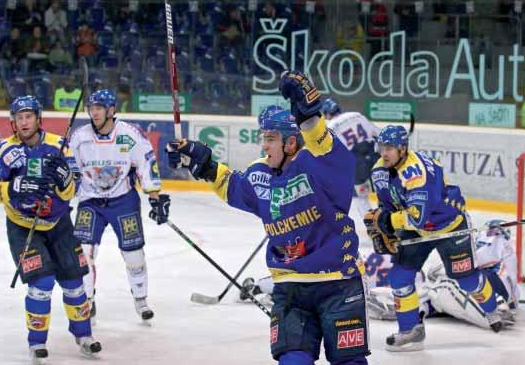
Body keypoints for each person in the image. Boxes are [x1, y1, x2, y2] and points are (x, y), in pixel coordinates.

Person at [166, 71, 370, 365]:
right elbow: (236, 188)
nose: (264, 145)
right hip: (289, 288)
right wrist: (203, 163)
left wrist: (309, 114)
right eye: (264, 138)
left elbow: (321, 142)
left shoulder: (323, 164)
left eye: (271, 139)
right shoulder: (260, 172)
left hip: (337, 283)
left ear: (291, 142)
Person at [365, 125, 502, 352]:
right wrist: (386, 228)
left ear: (402, 149)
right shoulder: (379, 170)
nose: (383, 153)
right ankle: (411, 331)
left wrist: (387, 223)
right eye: (382, 147)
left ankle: (491, 307)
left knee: (466, 280)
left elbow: (416, 217)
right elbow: (387, 207)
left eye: (389, 148)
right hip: (418, 230)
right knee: (400, 278)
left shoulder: (417, 173)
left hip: (449, 225)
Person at [0, 96, 101, 363]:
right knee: (41, 284)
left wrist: (65, 179)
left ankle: (84, 335)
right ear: (13, 123)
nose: (24, 122)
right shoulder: (5, 151)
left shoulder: (60, 146)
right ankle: (36, 342)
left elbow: (72, 190)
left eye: (28, 116)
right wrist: (13, 187)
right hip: (23, 226)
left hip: (59, 224)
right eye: (19, 118)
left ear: (38, 118)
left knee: (74, 283)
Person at [69, 89, 170, 324]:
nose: (94, 113)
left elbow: (146, 162)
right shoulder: (80, 137)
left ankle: (140, 298)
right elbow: (69, 167)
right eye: (91, 108)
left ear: (111, 110)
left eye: (99, 108)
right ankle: (88, 300)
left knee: (133, 255)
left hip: (123, 201)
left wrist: (154, 195)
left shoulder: (129, 134)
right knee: (84, 254)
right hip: (90, 202)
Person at [365, 220, 519, 328]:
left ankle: (418, 303)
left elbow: (469, 264)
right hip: (498, 290)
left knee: (447, 284)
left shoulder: (497, 241)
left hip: (494, 289)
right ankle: (422, 305)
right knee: (444, 291)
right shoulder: (506, 252)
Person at [321, 98, 381, 219]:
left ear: (327, 114)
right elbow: (378, 134)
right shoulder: (356, 115)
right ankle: (390, 222)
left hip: (356, 166)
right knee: (384, 192)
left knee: (362, 198)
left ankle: (373, 228)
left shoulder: (329, 128)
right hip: (375, 157)